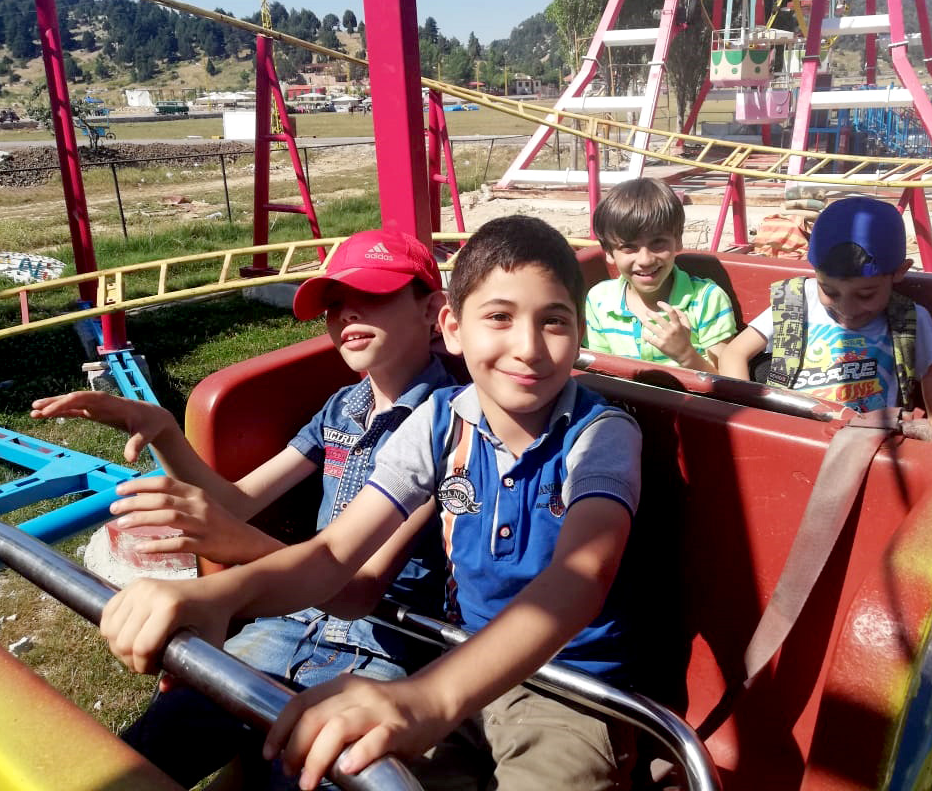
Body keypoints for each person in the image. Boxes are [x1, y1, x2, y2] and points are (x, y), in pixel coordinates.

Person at [96, 215, 644, 791]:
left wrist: (426, 698)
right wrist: (221, 594)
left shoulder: (601, 434)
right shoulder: (435, 422)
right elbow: (335, 551)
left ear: (580, 330)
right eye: (499, 318)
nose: (528, 348)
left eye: (553, 321)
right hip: (454, 664)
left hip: (562, 687)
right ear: (454, 328)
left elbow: (580, 577)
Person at [31, 228, 454, 788]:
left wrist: (236, 542)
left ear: (430, 309)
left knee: (303, 773)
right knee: (142, 756)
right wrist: (164, 430)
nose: (347, 312)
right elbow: (236, 500)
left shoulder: (451, 425)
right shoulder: (341, 409)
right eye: (333, 302)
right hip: (293, 620)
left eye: (372, 295)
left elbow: (359, 592)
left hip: (384, 648)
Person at [721, 196, 932, 440]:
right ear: (814, 271)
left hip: (864, 443)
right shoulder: (796, 302)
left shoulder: (911, 321)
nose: (847, 309)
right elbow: (734, 353)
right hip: (789, 435)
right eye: (830, 291)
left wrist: (903, 432)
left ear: (900, 272)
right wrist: (752, 420)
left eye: (866, 294)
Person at [584, 177, 736, 372]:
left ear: (678, 240)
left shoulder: (707, 299)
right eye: (629, 247)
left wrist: (686, 355)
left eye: (658, 243)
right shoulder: (599, 300)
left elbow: (727, 380)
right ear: (608, 252)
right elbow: (600, 371)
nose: (645, 260)